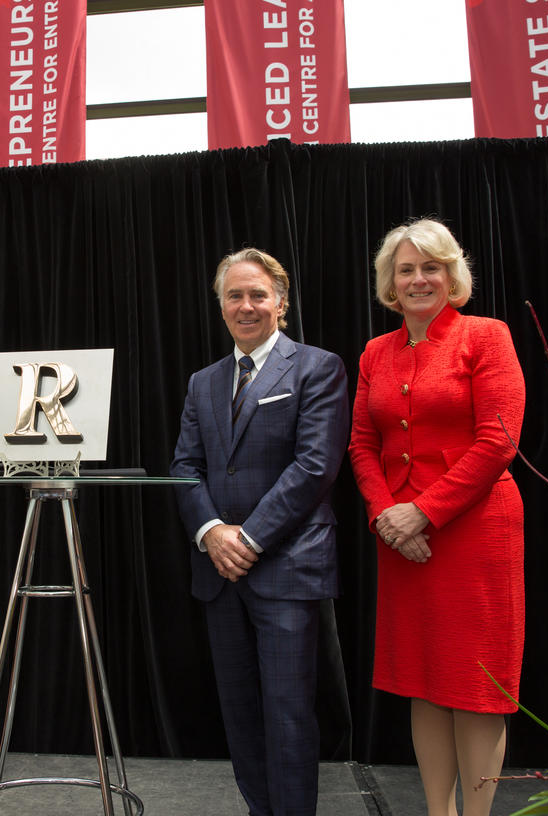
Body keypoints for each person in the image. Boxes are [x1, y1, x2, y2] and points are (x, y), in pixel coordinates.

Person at [349, 218, 525, 816]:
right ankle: (437, 812)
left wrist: (422, 513)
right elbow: (361, 446)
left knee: (475, 685)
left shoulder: (487, 336)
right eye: (406, 269)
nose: (419, 279)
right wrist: (386, 518)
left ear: (453, 276)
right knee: (424, 681)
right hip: (400, 537)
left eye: (432, 267)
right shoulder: (377, 351)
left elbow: (499, 440)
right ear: (390, 285)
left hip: (474, 531)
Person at [170, 248, 350, 816]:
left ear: (282, 302)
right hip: (218, 570)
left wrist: (247, 539)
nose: (246, 306)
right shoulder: (204, 382)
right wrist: (211, 533)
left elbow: (315, 467)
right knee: (241, 711)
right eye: (234, 296)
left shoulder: (318, 367)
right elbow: (185, 468)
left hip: (288, 566)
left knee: (289, 711)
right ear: (220, 304)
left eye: (258, 295)